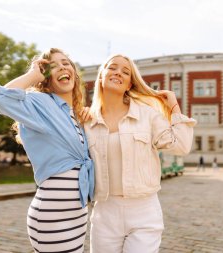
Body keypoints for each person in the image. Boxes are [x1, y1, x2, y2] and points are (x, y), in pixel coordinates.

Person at [84, 54, 196, 253]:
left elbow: (181, 146)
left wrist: (173, 106)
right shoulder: (87, 120)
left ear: (129, 84)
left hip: (144, 211)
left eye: (125, 71)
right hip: (104, 213)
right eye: (112, 68)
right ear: (101, 76)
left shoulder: (147, 115)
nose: (118, 72)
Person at [0, 48, 94, 253]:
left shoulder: (77, 115)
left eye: (66, 63)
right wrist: (33, 75)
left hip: (77, 215)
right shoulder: (41, 104)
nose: (62, 67)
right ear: (46, 79)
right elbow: (0, 99)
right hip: (52, 216)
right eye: (53, 66)